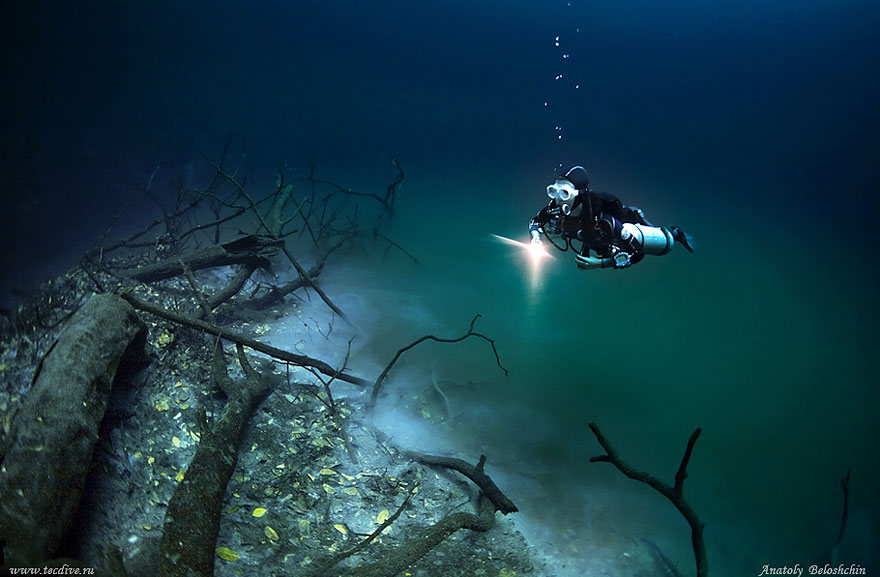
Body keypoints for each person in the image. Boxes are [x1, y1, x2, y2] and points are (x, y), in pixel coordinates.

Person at [528, 165, 694, 269]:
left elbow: (637, 254)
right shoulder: (555, 207)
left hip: (620, 230)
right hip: (592, 238)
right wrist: (535, 237)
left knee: (651, 239)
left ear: (579, 195)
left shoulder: (604, 221)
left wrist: (600, 264)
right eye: (553, 191)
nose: (557, 198)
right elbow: (535, 221)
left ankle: (675, 235)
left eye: (564, 193)